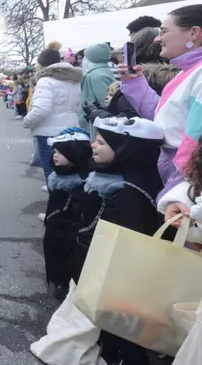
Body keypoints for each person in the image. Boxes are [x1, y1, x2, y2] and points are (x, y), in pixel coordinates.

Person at [69, 116, 164, 365]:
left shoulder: (125, 193)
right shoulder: (130, 178)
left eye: (101, 141)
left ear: (125, 150)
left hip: (119, 285)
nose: (93, 145)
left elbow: (111, 245)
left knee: (120, 334)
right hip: (129, 286)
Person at [118, 4, 202, 208]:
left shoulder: (199, 73)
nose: (157, 38)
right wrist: (134, 82)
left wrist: (180, 187)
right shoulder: (188, 72)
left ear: (193, 33)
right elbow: (162, 117)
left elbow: (196, 136)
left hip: (187, 176)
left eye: (164, 31)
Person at [40, 128, 92, 299]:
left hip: (66, 230)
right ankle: (57, 282)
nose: (55, 155)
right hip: (54, 224)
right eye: (55, 151)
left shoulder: (80, 183)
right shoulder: (58, 176)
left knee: (64, 257)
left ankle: (65, 286)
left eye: (61, 153)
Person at [23, 42, 82, 189]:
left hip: (49, 133)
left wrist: (27, 121)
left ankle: (55, 208)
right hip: (70, 129)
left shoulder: (46, 81)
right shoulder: (72, 79)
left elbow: (41, 110)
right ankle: (67, 206)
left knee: (51, 172)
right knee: (67, 171)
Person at [77, 43, 115, 133]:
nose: (84, 60)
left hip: (94, 120)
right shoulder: (101, 71)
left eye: (87, 56)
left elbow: (105, 102)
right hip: (93, 118)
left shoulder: (97, 75)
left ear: (94, 57)